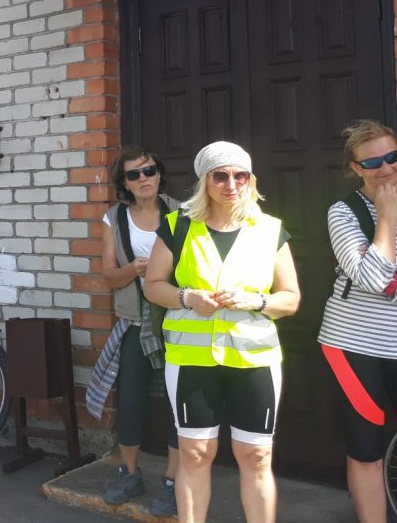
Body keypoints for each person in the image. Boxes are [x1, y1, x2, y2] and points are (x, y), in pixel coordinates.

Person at [143, 142, 300, 523]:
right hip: (192, 361)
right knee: (195, 453)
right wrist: (187, 297)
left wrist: (256, 301)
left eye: (240, 175)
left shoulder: (269, 229)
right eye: (220, 176)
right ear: (204, 181)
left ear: (250, 180)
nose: (232, 184)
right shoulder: (178, 226)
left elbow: (291, 299)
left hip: (254, 360)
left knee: (256, 456)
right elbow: (153, 286)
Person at [86, 147, 179, 517]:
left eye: (149, 171)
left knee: (177, 402)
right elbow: (109, 275)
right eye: (134, 175)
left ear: (159, 173)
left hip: (177, 321)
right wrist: (134, 270)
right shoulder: (114, 218)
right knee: (130, 401)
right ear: (124, 182)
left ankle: (173, 480)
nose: (144, 179)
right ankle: (130, 472)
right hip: (135, 321)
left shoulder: (182, 213)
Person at [319, 119, 397, 523]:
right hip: (354, 346)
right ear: (355, 168)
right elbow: (373, 280)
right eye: (372, 163)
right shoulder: (343, 212)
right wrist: (386, 216)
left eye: (392, 157)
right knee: (367, 450)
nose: (386, 168)